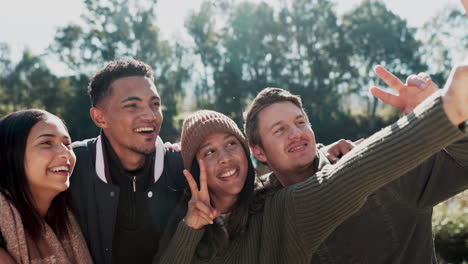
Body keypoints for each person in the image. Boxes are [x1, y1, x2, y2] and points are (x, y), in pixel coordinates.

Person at [156, 71, 467, 263]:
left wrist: (446, 111)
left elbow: (461, 162)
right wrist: (173, 158)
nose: (295, 133)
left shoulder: (384, 170)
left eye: (300, 122)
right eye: (279, 130)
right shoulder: (262, 211)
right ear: (259, 151)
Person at [70, 59, 185, 264]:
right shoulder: (70, 166)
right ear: (99, 118)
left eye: (155, 104)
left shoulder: (181, 167)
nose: (150, 115)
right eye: (132, 105)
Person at [0, 109, 92, 264]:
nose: (66, 153)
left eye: (67, 143)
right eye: (46, 143)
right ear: (10, 153)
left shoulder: (69, 219)